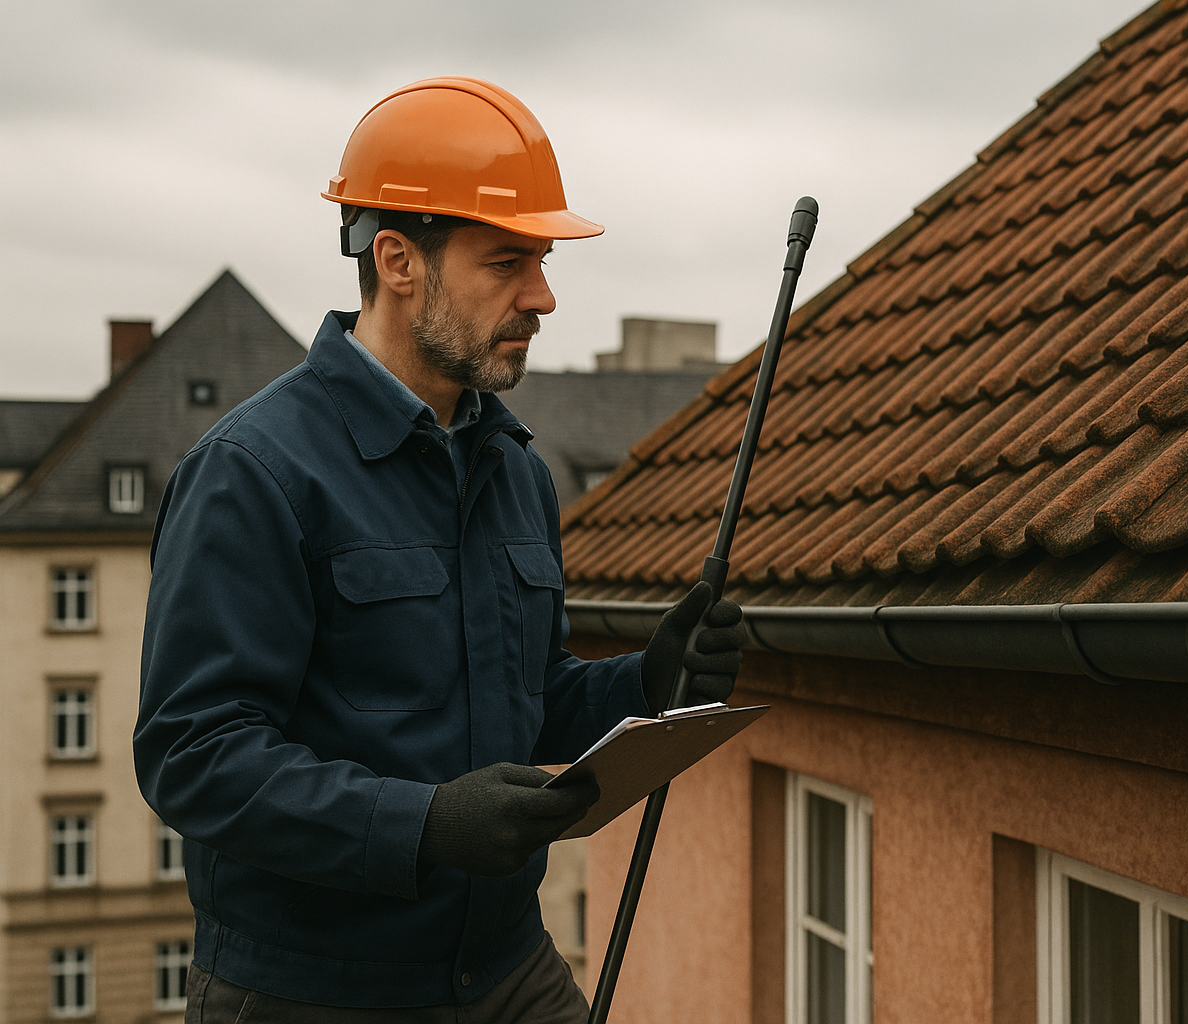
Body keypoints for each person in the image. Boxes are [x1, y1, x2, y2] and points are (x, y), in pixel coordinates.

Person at [134, 77, 747, 1024]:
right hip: (314, 993)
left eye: (540, 261)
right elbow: (194, 756)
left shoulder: (513, 471)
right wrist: (420, 826)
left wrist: (646, 686)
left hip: (506, 969)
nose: (542, 296)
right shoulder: (253, 471)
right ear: (397, 260)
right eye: (508, 261)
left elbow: (526, 703)